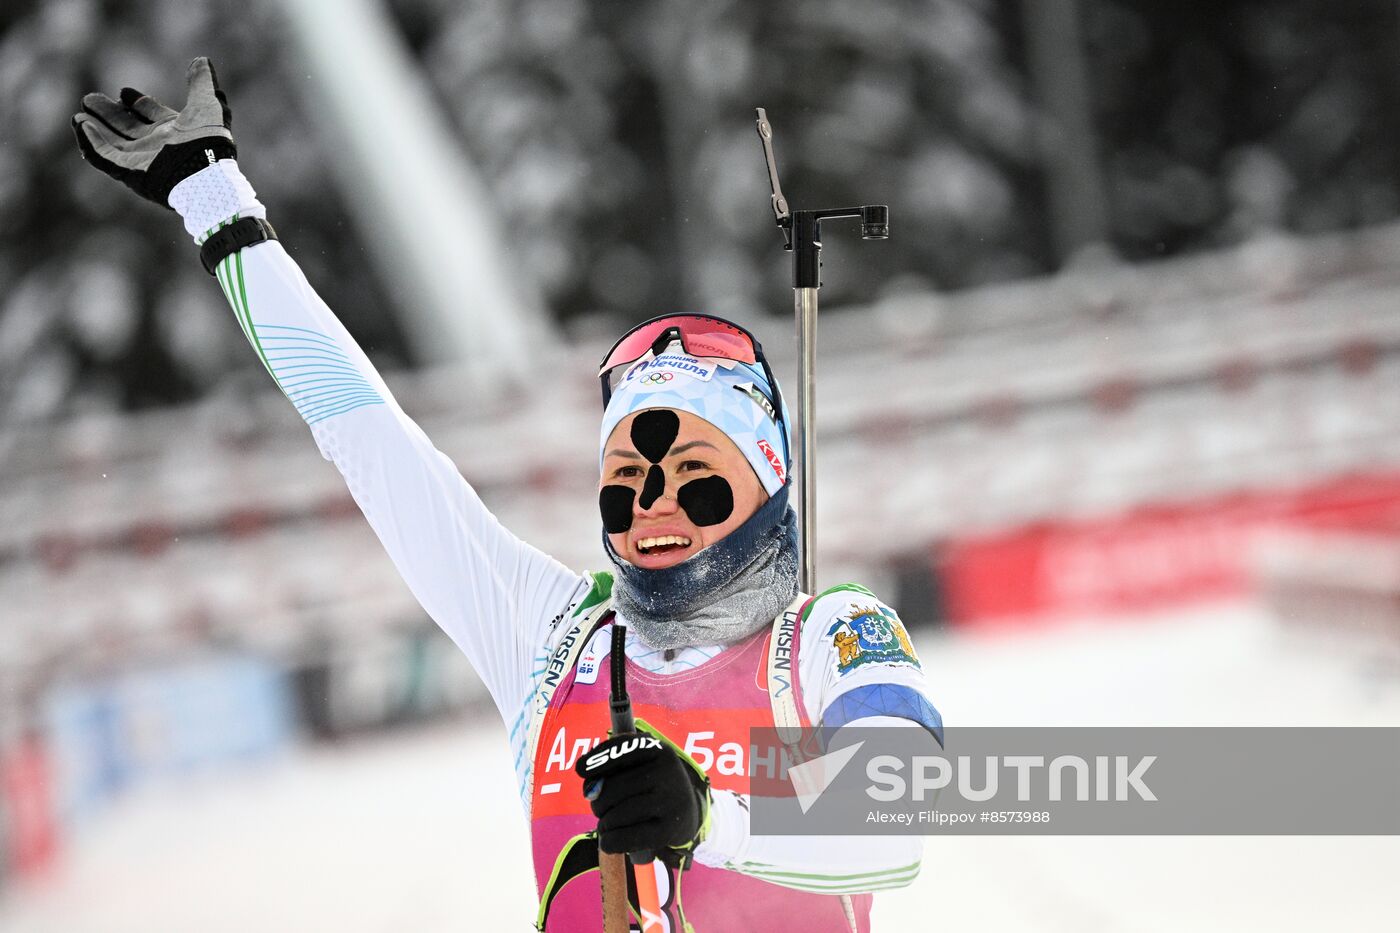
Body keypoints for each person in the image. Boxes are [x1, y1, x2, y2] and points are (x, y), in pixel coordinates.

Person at [73, 58, 943, 932]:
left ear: (766, 479)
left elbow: (901, 815)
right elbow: (366, 428)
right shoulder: (555, 637)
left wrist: (710, 813)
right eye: (628, 481)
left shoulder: (826, 634)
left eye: (697, 477)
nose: (656, 505)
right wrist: (216, 202)